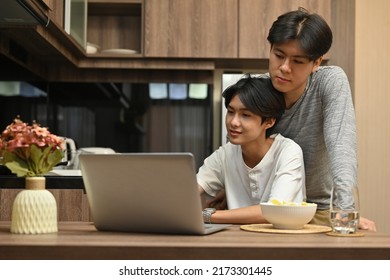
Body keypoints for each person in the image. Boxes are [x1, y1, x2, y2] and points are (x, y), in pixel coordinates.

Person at [210, 8, 376, 231]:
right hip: (262, 212)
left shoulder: (329, 82)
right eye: (279, 55)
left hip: (317, 210)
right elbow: (237, 150)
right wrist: (227, 188)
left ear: (316, 63)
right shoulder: (257, 90)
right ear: (270, 49)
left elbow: (341, 148)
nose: (284, 68)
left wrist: (345, 212)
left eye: (297, 61)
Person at [197, 74, 305, 224]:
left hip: (281, 242)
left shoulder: (288, 152)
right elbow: (190, 189)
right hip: (236, 240)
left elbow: (275, 211)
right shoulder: (225, 154)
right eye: (230, 112)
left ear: (269, 121)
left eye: (245, 115)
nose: (233, 122)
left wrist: (208, 216)